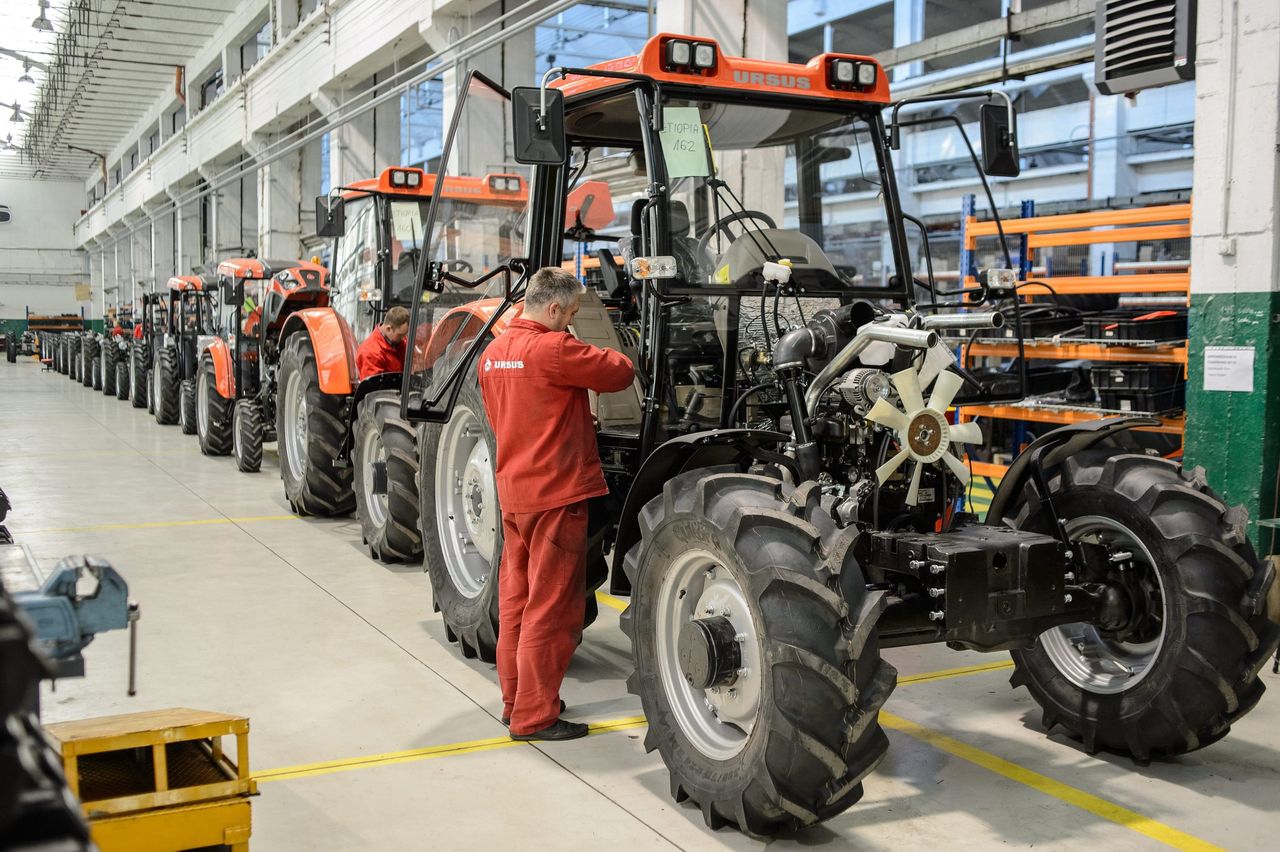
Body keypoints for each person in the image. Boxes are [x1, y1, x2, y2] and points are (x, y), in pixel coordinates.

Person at [477, 267, 634, 742]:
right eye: (569, 314)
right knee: (552, 609)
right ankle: (535, 717)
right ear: (551, 309)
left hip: (515, 495)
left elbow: (498, 415)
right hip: (557, 496)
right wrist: (614, 345)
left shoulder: (493, 353)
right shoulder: (554, 349)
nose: (569, 322)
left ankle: (515, 703)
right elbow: (618, 373)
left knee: (517, 603)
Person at [355, 306, 410, 378]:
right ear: (388, 329)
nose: (403, 338)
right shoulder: (370, 353)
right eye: (400, 335)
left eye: (404, 335)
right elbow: (374, 387)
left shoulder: (400, 342)